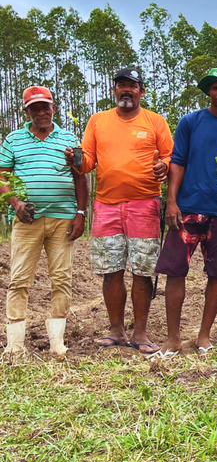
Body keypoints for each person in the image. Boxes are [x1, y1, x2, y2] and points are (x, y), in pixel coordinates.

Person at [67, 66, 172, 354]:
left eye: (132, 85)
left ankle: (140, 332)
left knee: (142, 270)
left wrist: (163, 165)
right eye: (121, 85)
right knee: (111, 270)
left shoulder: (155, 122)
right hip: (106, 205)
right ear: (114, 90)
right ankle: (116, 330)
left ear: (142, 91)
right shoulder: (98, 121)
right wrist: (75, 157)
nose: (126, 90)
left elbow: (169, 157)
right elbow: (86, 162)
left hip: (145, 204)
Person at [154, 68, 217, 357]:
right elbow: (178, 161)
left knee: (216, 271)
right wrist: (171, 201)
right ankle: (173, 339)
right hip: (186, 208)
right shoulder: (190, 122)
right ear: (208, 92)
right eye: (215, 89)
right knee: (175, 271)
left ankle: (203, 336)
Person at [1, 86, 88, 355]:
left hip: (63, 219)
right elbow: (2, 176)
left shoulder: (69, 138)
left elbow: (79, 176)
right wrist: (15, 203)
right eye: (34, 108)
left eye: (45, 107)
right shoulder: (13, 139)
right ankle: (15, 345)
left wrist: (81, 213)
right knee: (19, 279)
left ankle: (56, 342)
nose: (41, 112)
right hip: (28, 220)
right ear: (26, 111)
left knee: (61, 278)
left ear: (53, 108)